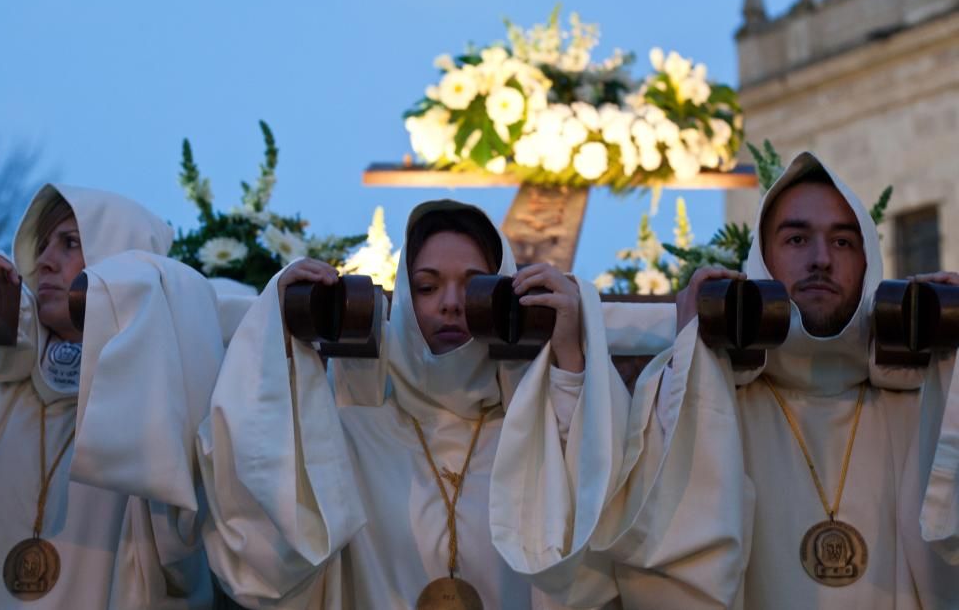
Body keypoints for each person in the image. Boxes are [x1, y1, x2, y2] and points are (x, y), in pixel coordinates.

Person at [198, 199, 626, 609]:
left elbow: (596, 511)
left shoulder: (534, 435)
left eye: (475, 286)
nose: (452, 304)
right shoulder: (354, 431)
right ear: (403, 296)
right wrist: (278, 336)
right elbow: (266, 503)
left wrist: (570, 351)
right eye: (427, 286)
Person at [593, 153, 959, 608]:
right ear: (761, 260)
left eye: (843, 242)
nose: (821, 259)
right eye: (797, 239)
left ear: (869, 263)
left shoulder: (926, 406)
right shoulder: (711, 403)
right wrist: (690, 364)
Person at [0, 184, 225, 608]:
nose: (44, 262)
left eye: (70, 243)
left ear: (119, 259)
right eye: (41, 246)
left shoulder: (162, 400)